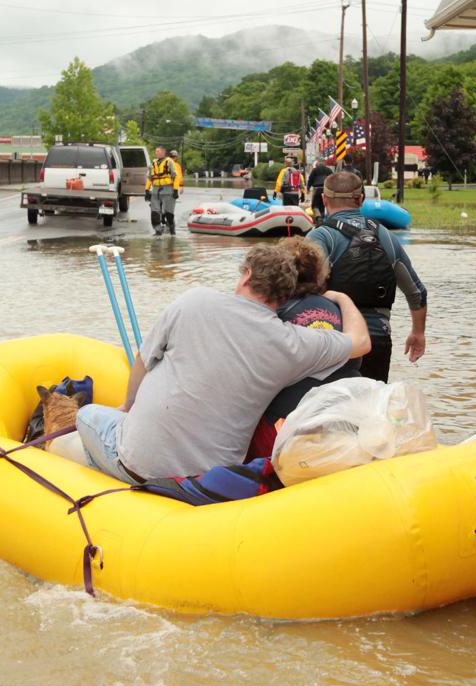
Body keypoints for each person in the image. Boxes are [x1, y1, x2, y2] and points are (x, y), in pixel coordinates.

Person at [76, 243, 371, 482]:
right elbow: (361, 343)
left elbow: (143, 359)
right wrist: (344, 299)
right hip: (208, 478)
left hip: (139, 463)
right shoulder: (293, 344)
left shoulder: (194, 301)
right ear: (285, 295)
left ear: (246, 276)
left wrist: (128, 406)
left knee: (86, 414)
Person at [307, 171, 428, 382]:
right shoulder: (387, 237)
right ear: (361, 200)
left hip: (335, 341)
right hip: (378, 341)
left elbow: (306, 289)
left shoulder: (320, 236)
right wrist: (418, 333)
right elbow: (417, 293)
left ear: (325, 200)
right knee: (369, 410)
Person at [248, 236, 362, 458]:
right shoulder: (345, 314)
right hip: (344, 418)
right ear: (320, 274)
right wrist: (343, 298)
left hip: (288, 427)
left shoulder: (271, 316)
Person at [145, 145, 181, 236]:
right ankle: (157, 230)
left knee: (169, 213)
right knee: (154, 212)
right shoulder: (153, 163)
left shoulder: (170, 162)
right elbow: (149, 178)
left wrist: (176, 190)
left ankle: (172, 229)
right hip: (156, 190)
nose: (156, 153)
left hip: (168, 189)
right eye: (156, 151)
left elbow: (175, 176)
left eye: (158, 151)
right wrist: (147, 190)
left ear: (163, 152)